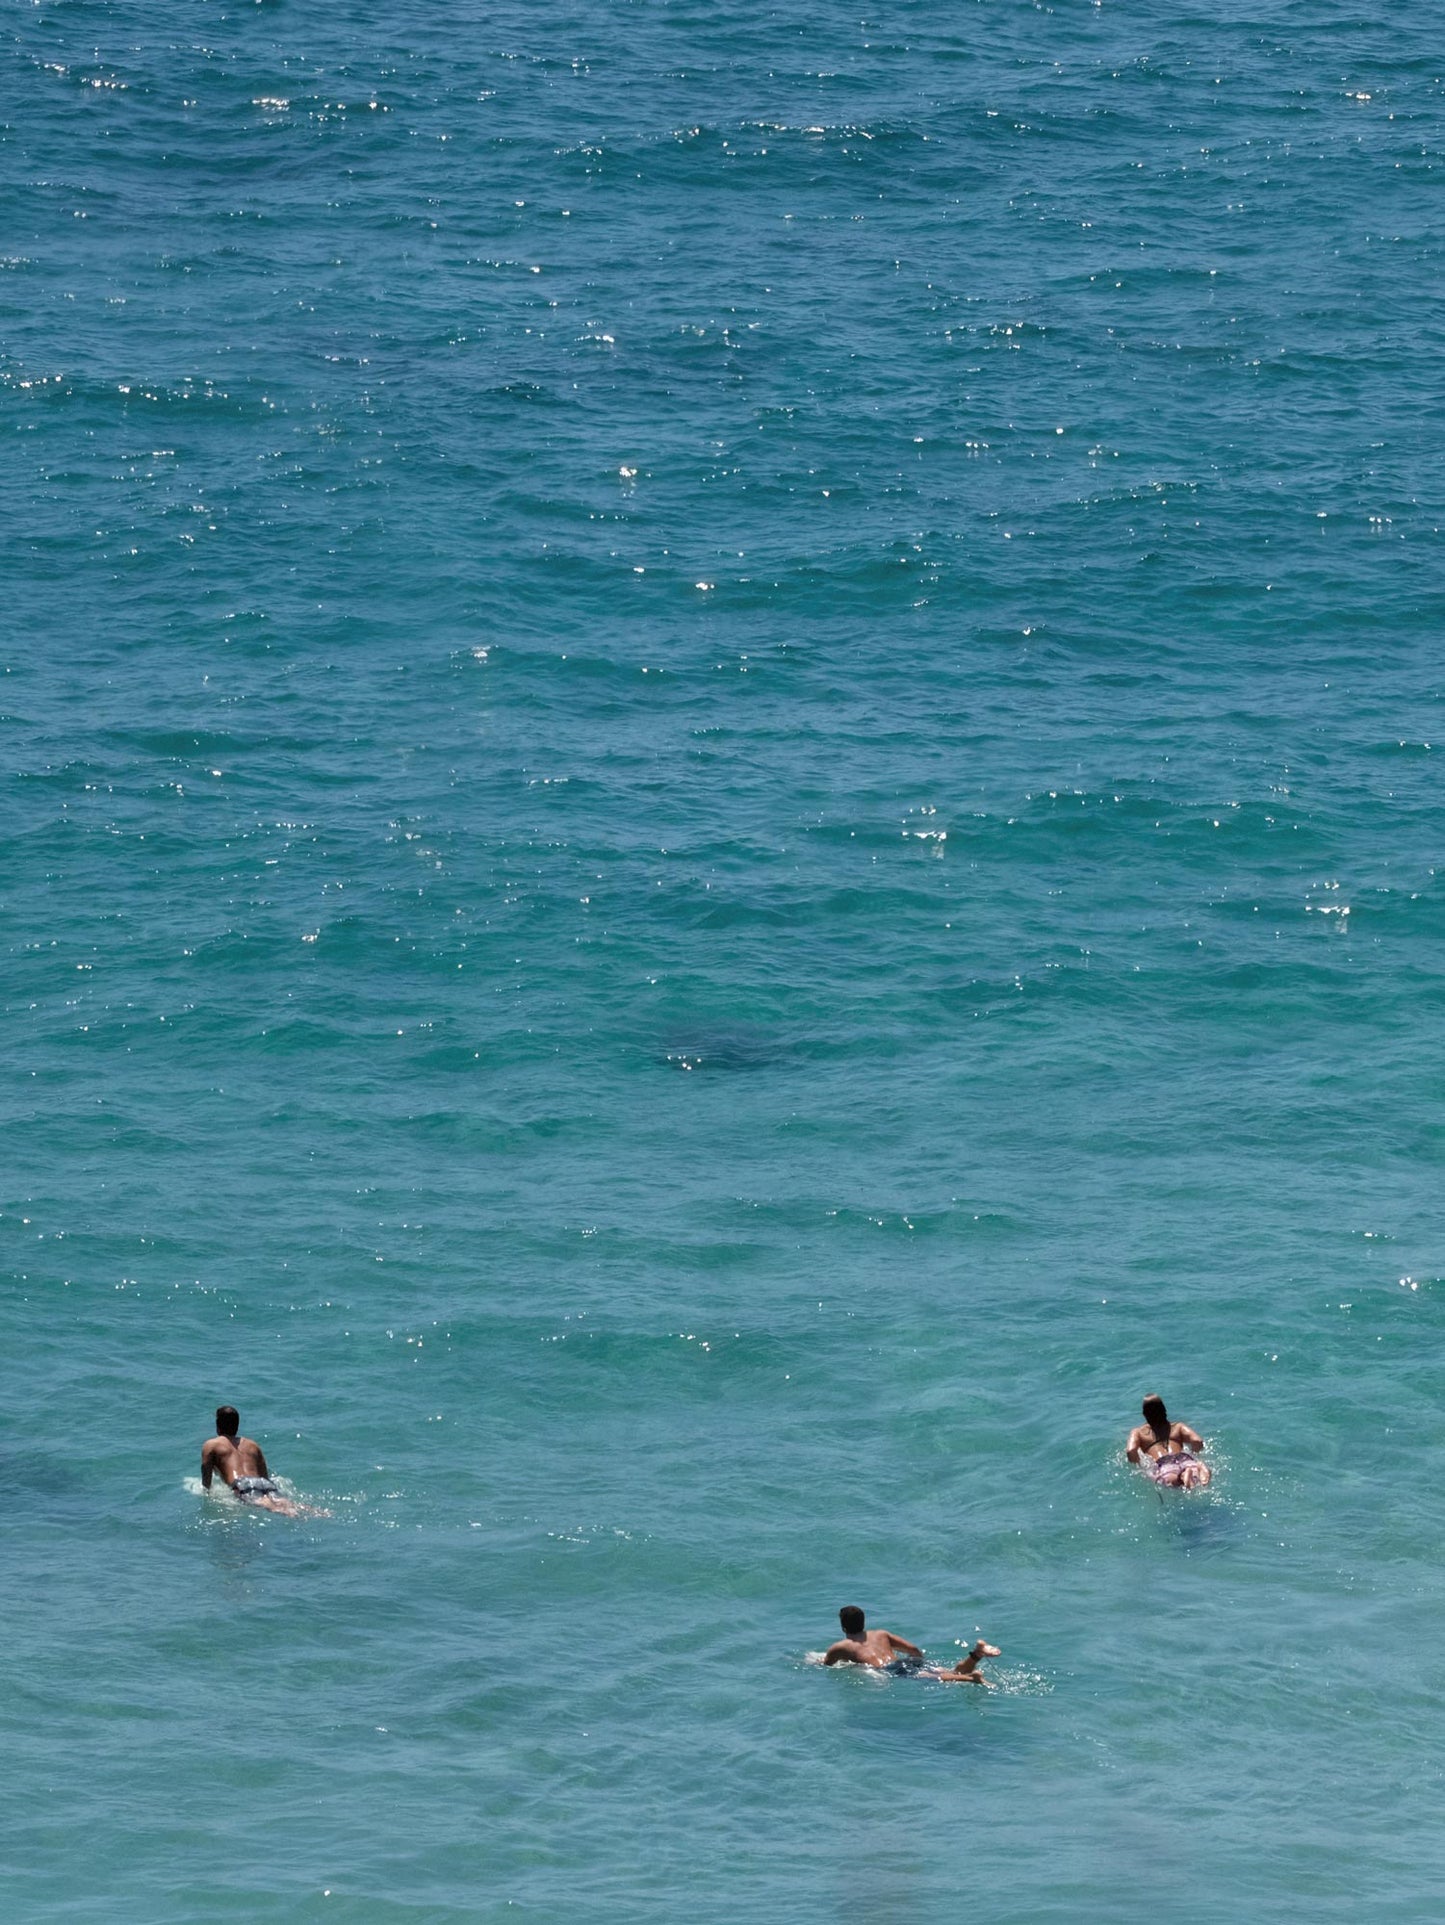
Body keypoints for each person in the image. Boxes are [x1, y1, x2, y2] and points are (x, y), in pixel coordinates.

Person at [822, 1607, 1000, 1683]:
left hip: (890, 1669)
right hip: (907, 1662)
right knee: (946, 1670)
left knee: (934, 1679)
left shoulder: (840, 1646)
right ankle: (976, 1653)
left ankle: (971, 1678)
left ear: (843, 1626)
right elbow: (913, 1649)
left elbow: (827, 1665)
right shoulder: (881, 1634)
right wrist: (919, 1662)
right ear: (863, 1622)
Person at [201, 1406, 319, 1516]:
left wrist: (207, 1493)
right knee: (284, 1502)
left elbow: (206, 1475)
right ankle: (313, 1511)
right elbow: (264, 1475)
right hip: (263, 1483)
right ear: (237, 1425)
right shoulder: (252, 1444)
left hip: (241, 1484)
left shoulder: (211, 1445)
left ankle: (290, 1513)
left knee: (268, 1505)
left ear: (218, 1426)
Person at [1126, 1393, 1211, 1489]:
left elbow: (1130, 1451)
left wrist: (1141, 1465)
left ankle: (1183, 1477)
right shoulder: (1178, 1427)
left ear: (1144, 1414)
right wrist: (1194, 1454)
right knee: (1195, 1478)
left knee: (1172, 1481)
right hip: (1184, 1458)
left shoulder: (1138, 1432)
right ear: (1164, 1410)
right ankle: (1193, 1469)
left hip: (1164, 1465)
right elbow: (1197, 1441)